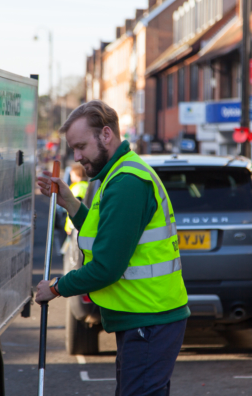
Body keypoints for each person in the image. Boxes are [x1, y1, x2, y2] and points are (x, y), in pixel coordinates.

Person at [36, 100, 190, 396]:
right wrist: (70, 202)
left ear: (106, 134)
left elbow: (106, 266)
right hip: (147, 316)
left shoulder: (126, 182)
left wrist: (55, 287)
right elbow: (102, 237)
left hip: (148, 318)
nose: (77, 156)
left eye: (81, 146)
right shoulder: (117, 174)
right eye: (73, 149)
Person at [64, 163, 88, 235]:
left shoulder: (77, 187)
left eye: (72, 175)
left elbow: (74, 208)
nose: (70, 177)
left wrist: (70, 226)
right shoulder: (86, 185)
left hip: (74, 226)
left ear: (77, 174)